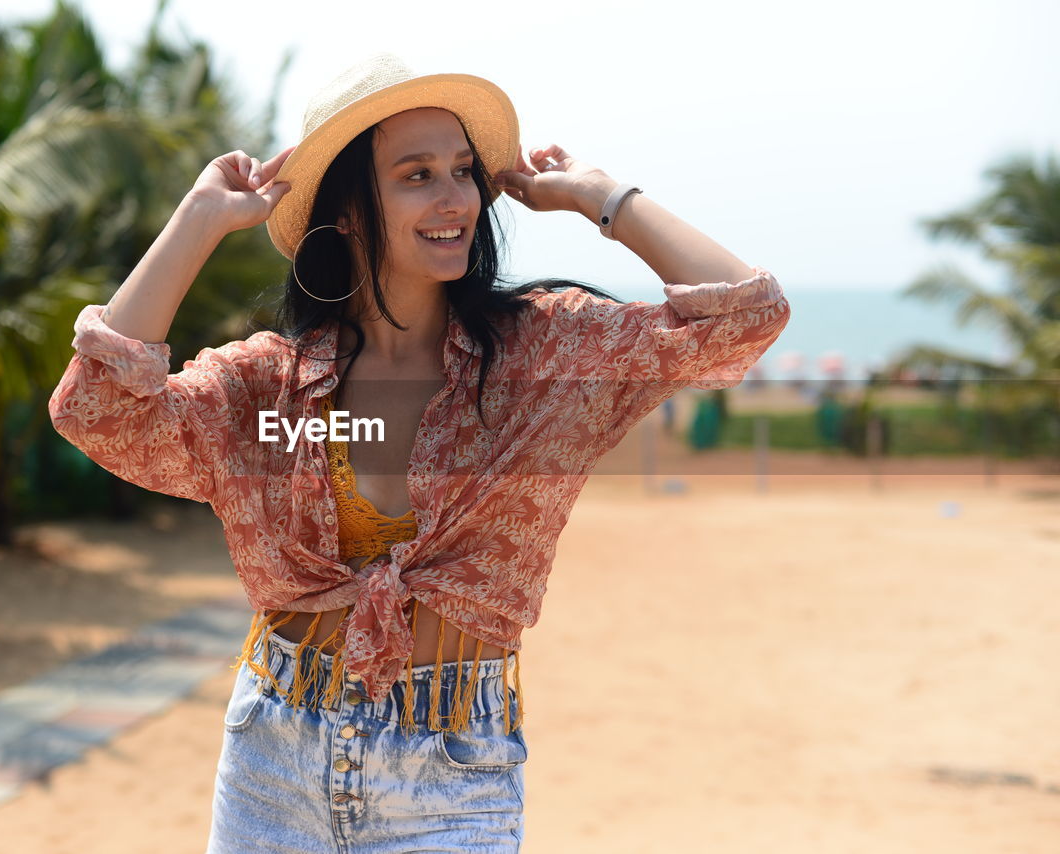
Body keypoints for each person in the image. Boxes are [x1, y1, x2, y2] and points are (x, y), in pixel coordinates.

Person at [48, 53, 791, 853]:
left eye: (463, 170)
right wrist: (195, 220)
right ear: (351, 214)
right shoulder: (272, 393)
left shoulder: (541, 363)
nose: (455, 198)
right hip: (273, 764)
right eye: (417, 175)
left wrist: (600, 197)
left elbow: (746, 317)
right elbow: (100, 411)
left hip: (454, 776)